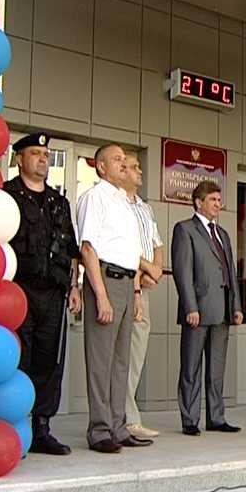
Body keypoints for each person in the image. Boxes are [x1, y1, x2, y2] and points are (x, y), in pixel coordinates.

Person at [4, 132, 81, 455]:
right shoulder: (6, 196)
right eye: (35, 153)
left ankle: (41, 428)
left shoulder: (58, 201)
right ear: (19, 158)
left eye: (46, 155)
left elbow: (71, 249)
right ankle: (12, 427)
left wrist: (74, 287)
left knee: (48, 361)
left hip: (53, 292)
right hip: (17, 290)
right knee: (17, 358)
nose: (42, 159)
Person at [77, 144, 152, 453]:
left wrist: (135, 292)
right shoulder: (95, 198)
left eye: (125, 160)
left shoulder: (125, 203)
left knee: (121, 362)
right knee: (101, 361)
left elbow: (130, 254)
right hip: (104, 281)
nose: (124, 164)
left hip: (125, 282)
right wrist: (101, 295)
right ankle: (99, 430)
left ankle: (119, 426)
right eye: (117, 160)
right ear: (101, 167)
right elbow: (88, 249)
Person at [171, 180, 243, 436]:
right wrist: (190, 306)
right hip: (197, 311)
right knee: (191, 367)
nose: (217, 204)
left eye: (218, 199)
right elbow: (182, 272)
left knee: (217, 368)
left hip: (222, 310)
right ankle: (190, 419)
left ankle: (216, 417)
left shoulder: (223, 234)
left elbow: (230, 273)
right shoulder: (185, 230)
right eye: (212, 199)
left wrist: (236, 305)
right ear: (198, 202)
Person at [122, 153, 164, 439]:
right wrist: (147, 268)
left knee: (136, 354)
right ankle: (126, 418)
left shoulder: (146, 209)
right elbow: (122, 247)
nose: (140, 172)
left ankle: (128, 414)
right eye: (134, 167)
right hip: (123, 282)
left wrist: (155, 269)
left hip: (144, 285)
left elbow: (156, 243)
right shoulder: (114, 205)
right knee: (120, 356)